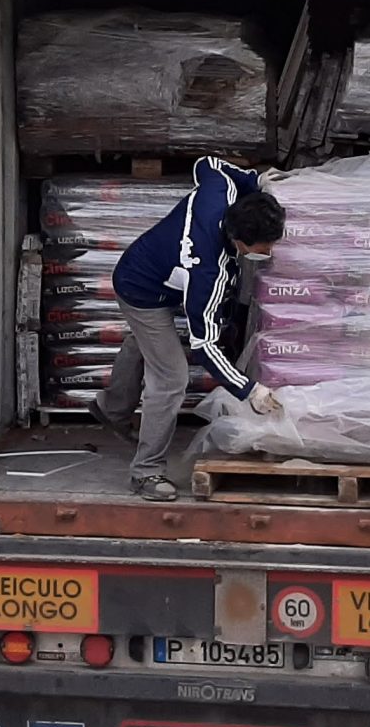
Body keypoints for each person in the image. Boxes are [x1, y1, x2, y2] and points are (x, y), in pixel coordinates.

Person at [98, 156, 286, 501]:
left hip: (157, 270)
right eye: (264, 249)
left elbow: (207, 163)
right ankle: (146, 471)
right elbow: (205, 346)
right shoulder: (207, 273)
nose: (270, 252)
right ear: (240, 241)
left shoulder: (219, 191)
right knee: (171, 376)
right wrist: (249, 390)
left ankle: (111, 409)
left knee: (146, 343)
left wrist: (256, 181)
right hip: (141, 290)